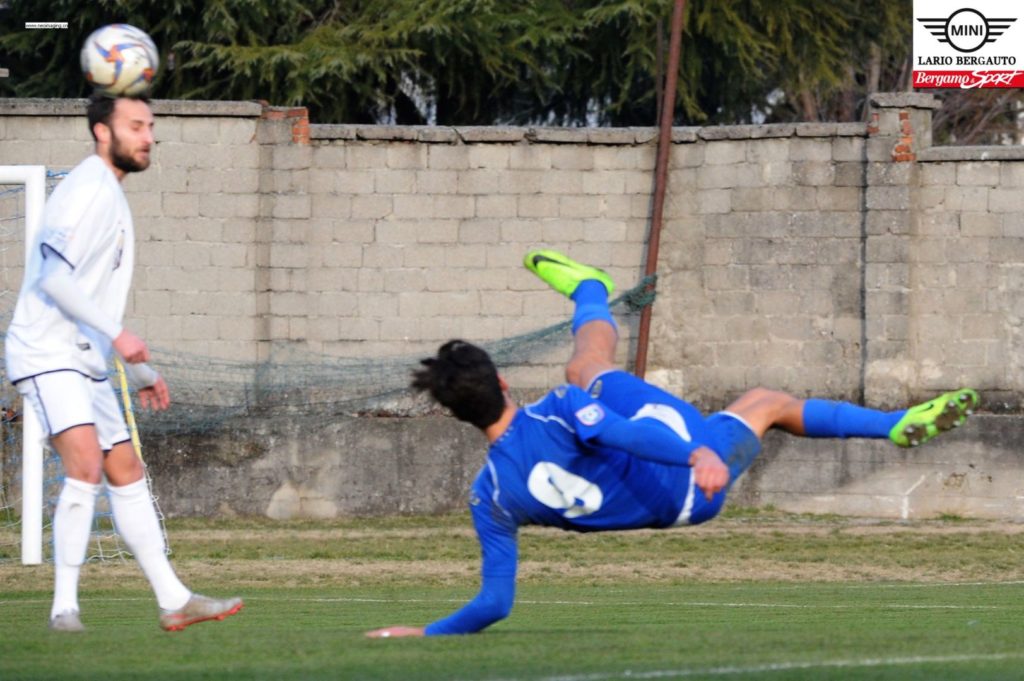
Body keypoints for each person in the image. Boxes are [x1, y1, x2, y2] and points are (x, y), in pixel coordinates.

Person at [365, 249, 979, 638]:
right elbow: (624, 431)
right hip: (683, 455)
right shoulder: (559, 410)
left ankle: (591, 291)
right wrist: (694, 452)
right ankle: (591, 290)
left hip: (693, 505)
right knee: (588, 369)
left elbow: (495, 603)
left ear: (454, 416)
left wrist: (426, 633)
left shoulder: (490, 495)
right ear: (502, 381)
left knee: (760, 404)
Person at [5, 93, 243, 632]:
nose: (148, 136)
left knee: (126, 471)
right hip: (46, 350)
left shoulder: (111, 194)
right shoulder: (86, 188)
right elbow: (54, 279)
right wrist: (120, 336)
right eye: (135, 126)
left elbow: (96, 303)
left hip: (83, 356)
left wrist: (139, 372)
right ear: (102, 131)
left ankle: (174, 599)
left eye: (150, 126)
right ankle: (64, 609)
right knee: (86, 467)